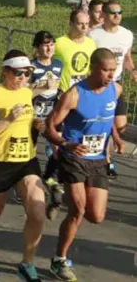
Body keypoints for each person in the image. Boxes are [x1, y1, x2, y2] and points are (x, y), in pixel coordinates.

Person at [44, 48, 123, 282]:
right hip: (74, 158)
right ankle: (59, 259)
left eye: (113, 70)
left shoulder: (116, 90)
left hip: (98, 160)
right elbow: (50, 127)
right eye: (106, 70)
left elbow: (107, 122)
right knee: (77, 210)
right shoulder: (74, 94)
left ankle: (58, 193)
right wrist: (66, 144)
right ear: (93, 67)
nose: (110, 75)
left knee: (96, 216)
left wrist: (116, 139)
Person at [0, 50, 46, 282]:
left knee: (38, 212)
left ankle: (27, 263)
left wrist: (36, 124)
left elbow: (27, 120)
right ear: (5, 71)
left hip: (26, 161)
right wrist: (7, 121)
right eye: (18, 73)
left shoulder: (26, 92)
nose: (23, 77)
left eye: (27, 73)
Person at [88, 0, 135, 179]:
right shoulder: (95, 35)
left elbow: (127, 58)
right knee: (104, 123)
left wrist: (134, 71)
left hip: (116, 85)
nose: (117, 15)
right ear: (104, 15)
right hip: (99, 85)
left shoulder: (127, 35)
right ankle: (107, 161)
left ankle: (104, 148)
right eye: (113, 12)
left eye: (120, 12)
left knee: (120, 125)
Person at [29, 31, 63, 198]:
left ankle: (48, 176)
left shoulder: (58, 64)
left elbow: (58, 89)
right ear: (37, 47)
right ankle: (26, 182)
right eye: (45, 44)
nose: (49, 48)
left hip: (51, 114)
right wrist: (42, 87)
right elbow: (23, 93)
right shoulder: (31, 66)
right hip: (33, 115)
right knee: (30, 151)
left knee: (58, 148)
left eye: (51, 44)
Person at [54, 10, 97, 93]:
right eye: (80, 24)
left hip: (84, 91)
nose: (84, 27)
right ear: (71, 24)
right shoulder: (58, 43)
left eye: (87, 24)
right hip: (64, 92)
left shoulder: (91, 43)